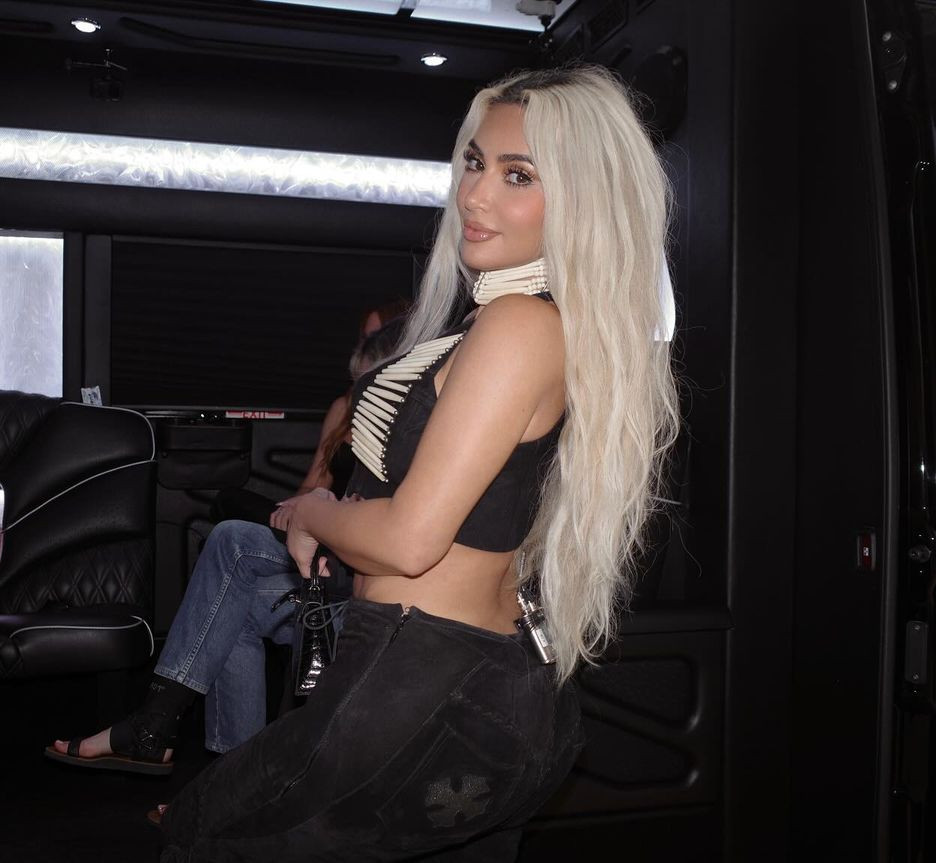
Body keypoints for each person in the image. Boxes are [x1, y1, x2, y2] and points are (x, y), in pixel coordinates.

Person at [154, 64, 680, 861]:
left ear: (580, 199)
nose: (475, 195)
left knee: (202, 833)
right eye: (475, 163)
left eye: (518, 176)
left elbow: (409, 539)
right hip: (454, 682)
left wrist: (312, 512)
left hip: (428, 682)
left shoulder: (519, 326)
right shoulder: (525, 322)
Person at [45, 318, 405, 772]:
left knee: (232, 542)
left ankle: (160, 729)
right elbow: (323, 495)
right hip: (334, 557)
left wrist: (325, 517)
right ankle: (231, 776)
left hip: (368, 584)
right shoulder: (357, 415)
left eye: (369, 378)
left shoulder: (416, 432)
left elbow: (390, 535)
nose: (360, 390)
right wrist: (309, 510)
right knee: (232, 603)